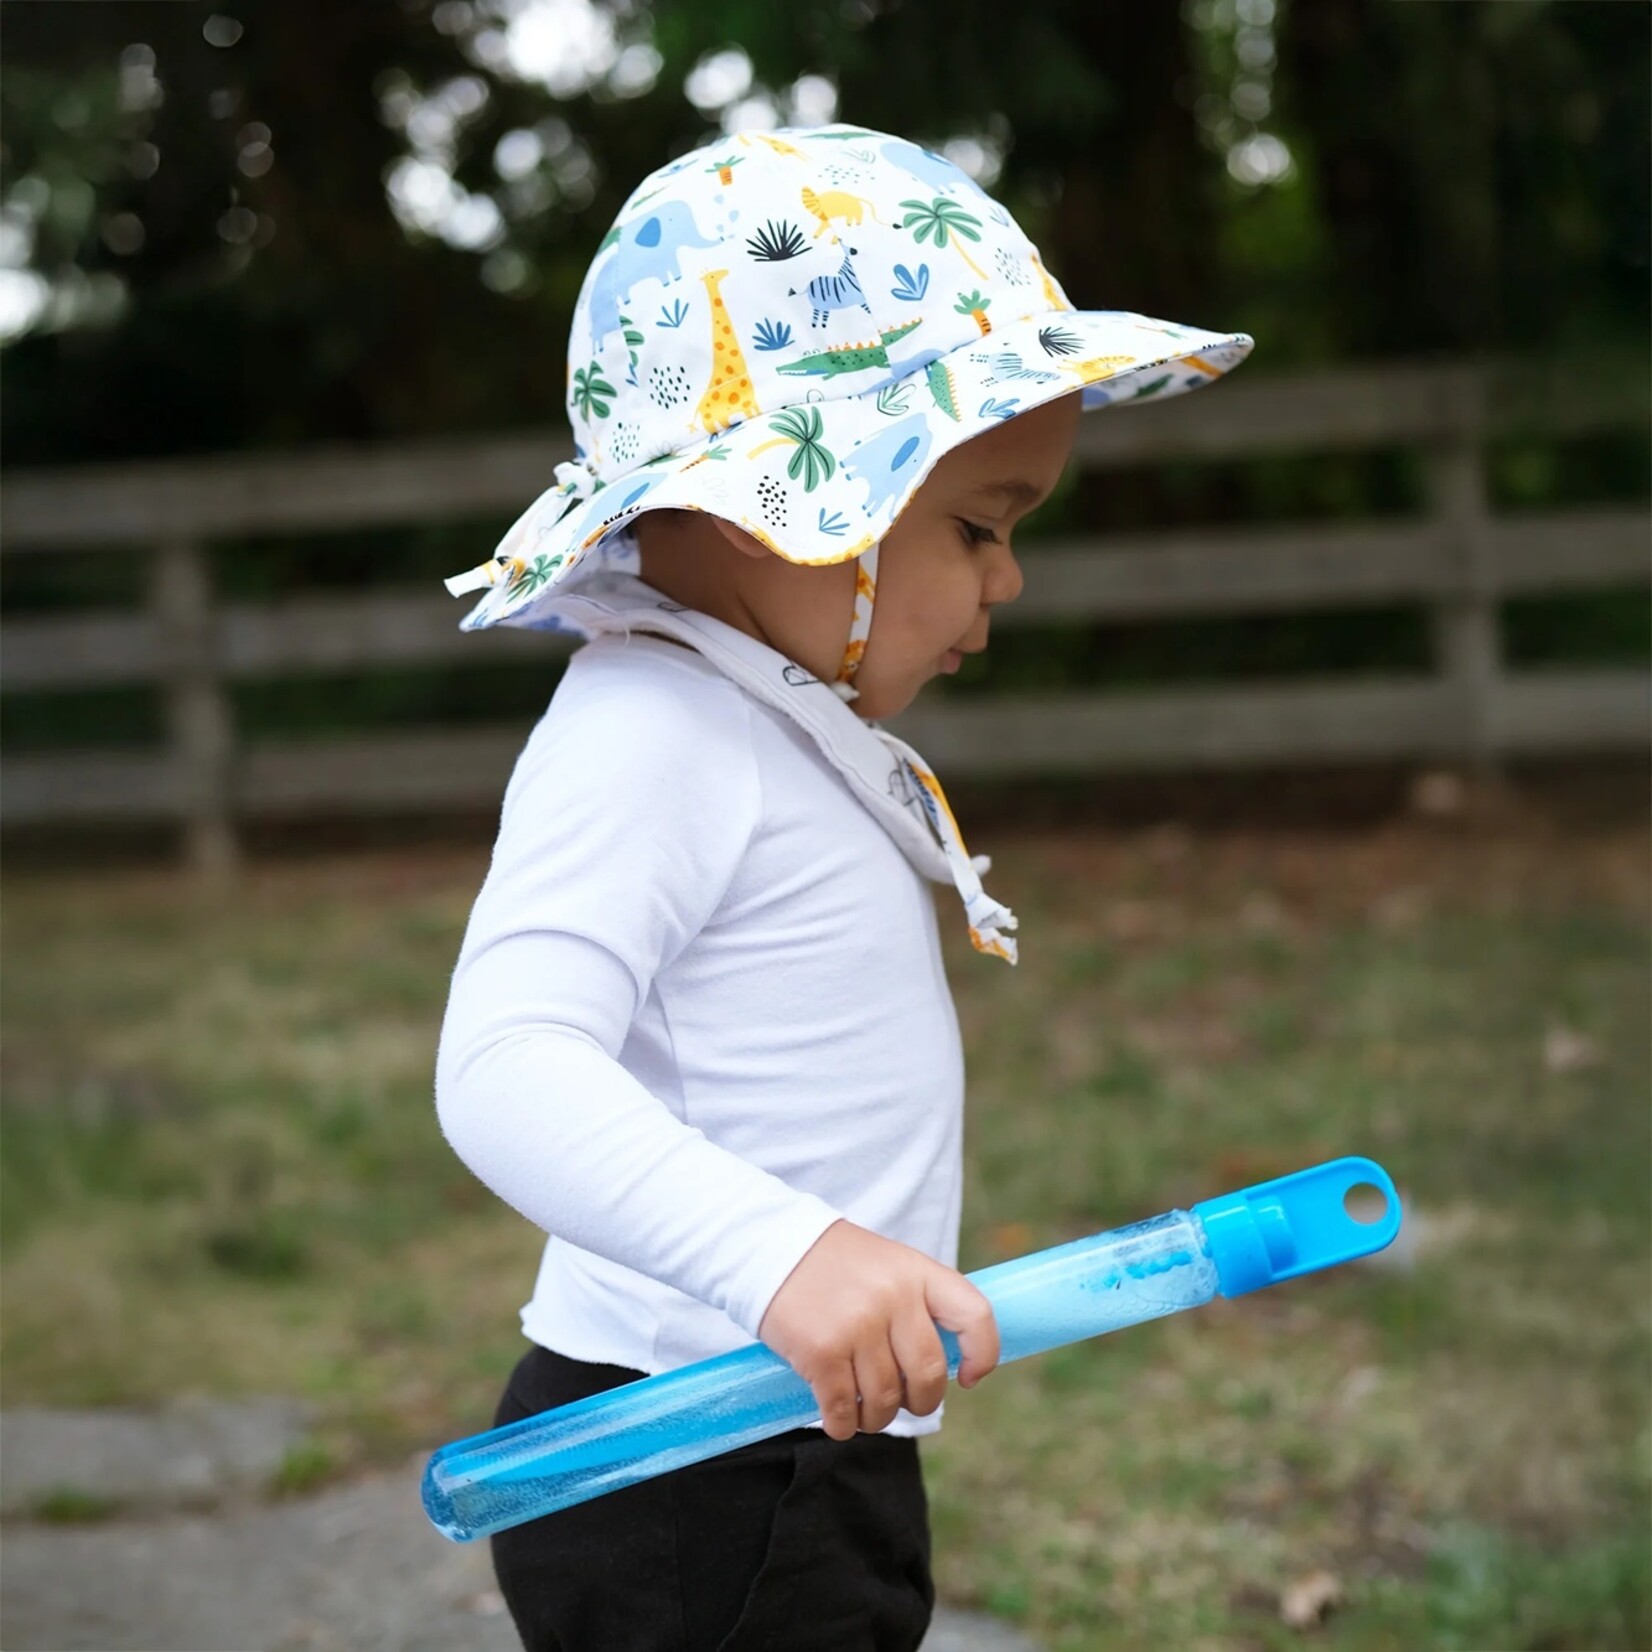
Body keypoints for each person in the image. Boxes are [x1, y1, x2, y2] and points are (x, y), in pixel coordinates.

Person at [433, 121, 1252, 1651]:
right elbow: (504, 1067)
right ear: (798, 498)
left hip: (785, 1421)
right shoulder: (653, 728)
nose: (1006, 580)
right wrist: (782, 1257)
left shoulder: (748, 713)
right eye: (978, 523)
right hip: (694, 1446)